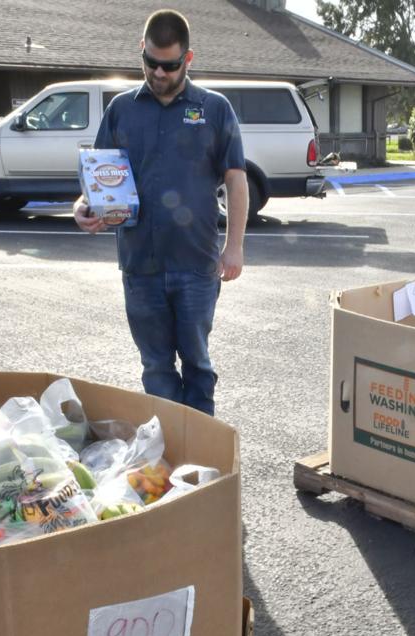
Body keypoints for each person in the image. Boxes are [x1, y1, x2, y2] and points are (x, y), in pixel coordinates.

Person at [74, 9, 247, 416]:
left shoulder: (214, 108)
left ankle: (203, 453)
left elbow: (237, 181)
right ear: (142, 52)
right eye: (151, 62)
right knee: (155, 368)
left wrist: (234, 247)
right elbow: (95, 181)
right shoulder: (122, 109)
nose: (158, 73)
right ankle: (168, 454)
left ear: (188, 59)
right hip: (140, 267)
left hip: (196, 265)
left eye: (169, 65)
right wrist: (82, 209)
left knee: (198, 366)